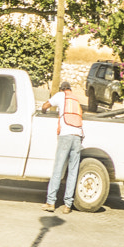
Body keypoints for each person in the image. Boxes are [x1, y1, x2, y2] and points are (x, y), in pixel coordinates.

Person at [39, 79, 84, 213]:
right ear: (70, 89)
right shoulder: (76, 100)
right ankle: (68, 205)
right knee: (73, 171)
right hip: (78, 137)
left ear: (61, 89)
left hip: (66, 135)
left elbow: (45, 105)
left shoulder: (60, 96)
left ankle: (50, 202)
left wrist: (43, 111)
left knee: (58, 169)